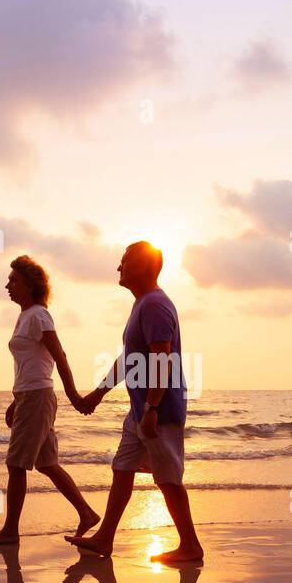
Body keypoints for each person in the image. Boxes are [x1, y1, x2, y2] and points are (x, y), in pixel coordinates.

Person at [67, 241, 204, 565]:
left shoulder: (155, 305)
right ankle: (104, 538)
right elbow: (129, 359)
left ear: (141, 266)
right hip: (140, 410)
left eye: (124, 261)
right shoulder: (143, 304)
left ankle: (191, 546)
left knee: (168, 479)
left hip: (159, 410)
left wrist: (153, 409)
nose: (118, 268)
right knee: (122, 467)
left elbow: (162, 358)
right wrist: (99, 393)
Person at [0, 256, 99, 546]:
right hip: (30, 397)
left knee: (16, 465)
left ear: (31, 285)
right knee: (46, 463)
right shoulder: (26, 315)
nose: (7, 285)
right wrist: (16, 400)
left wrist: (75, 397)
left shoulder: (38, 316)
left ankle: (9, 532)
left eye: (13, 280)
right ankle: (87, 512)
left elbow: (60, 357)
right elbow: (30, 364)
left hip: (38, 398)